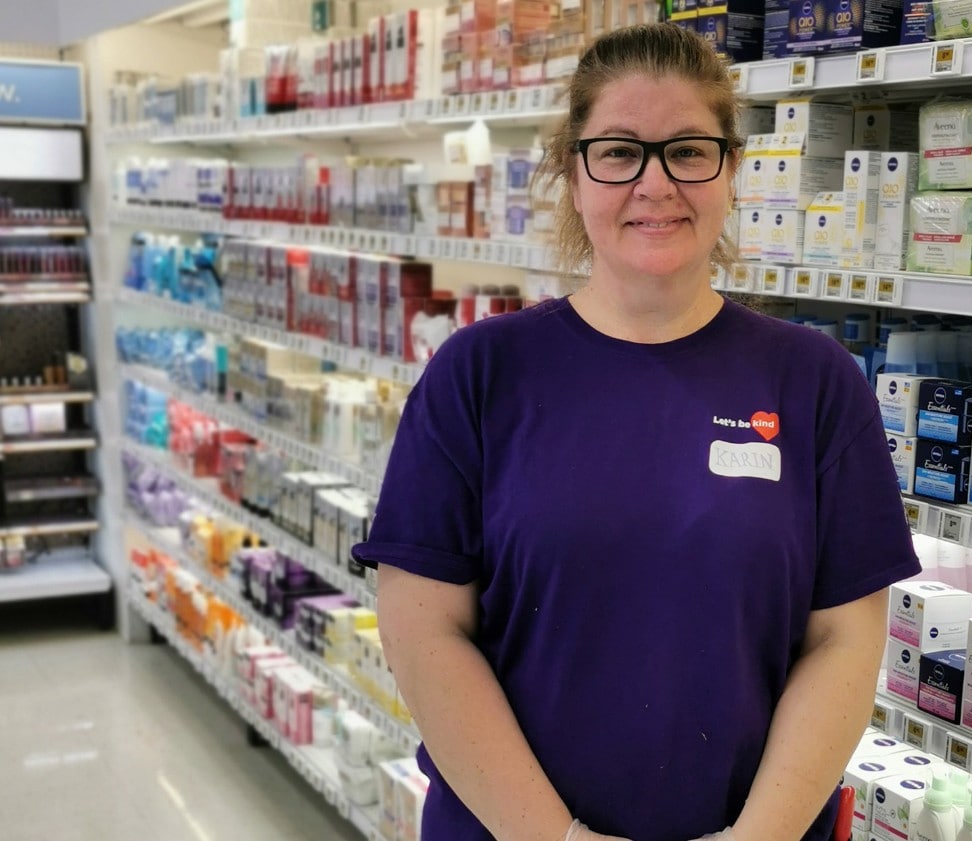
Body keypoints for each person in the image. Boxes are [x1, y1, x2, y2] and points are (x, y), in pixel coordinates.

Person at [353, 23, 920, 841]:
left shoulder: (815, 381)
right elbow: (422, 629)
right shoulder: (480, 373)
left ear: (730, 168)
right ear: (572, 173)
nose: (655, 183)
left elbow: (844, 638)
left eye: (688, 150)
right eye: (618, 152)